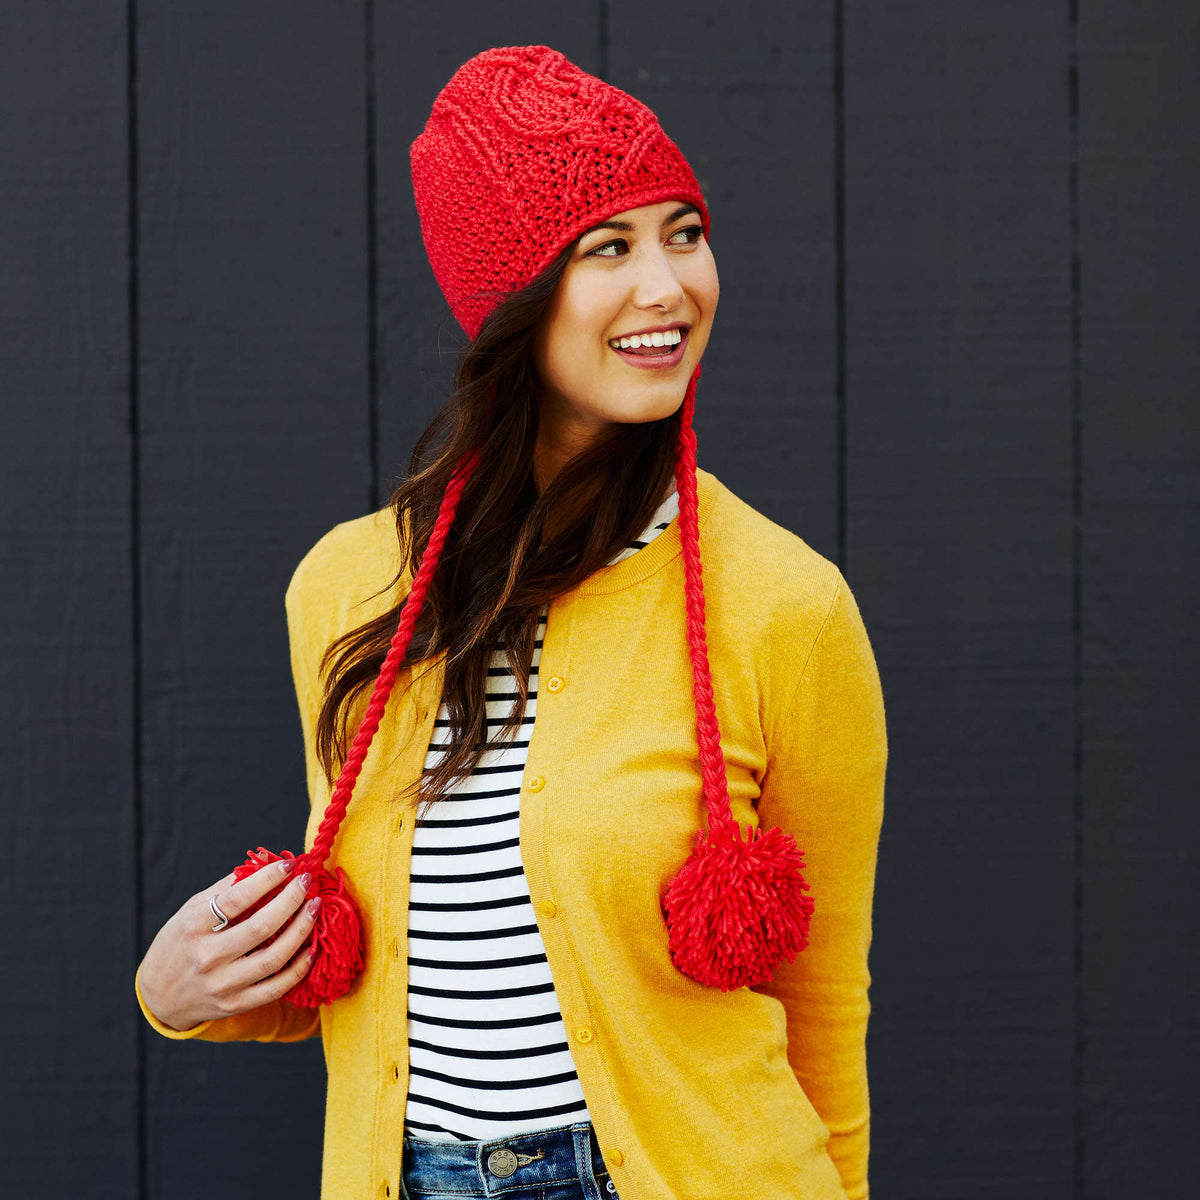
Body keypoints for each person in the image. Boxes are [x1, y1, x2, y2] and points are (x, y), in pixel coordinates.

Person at [136, 44, 887, 1200]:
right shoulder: (348, 591)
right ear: (511, 298)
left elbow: (825, 1002)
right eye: (608, 248)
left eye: (684, 231)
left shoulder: (786, 604)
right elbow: (388, 964)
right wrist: (178, 994)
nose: (668, 287)